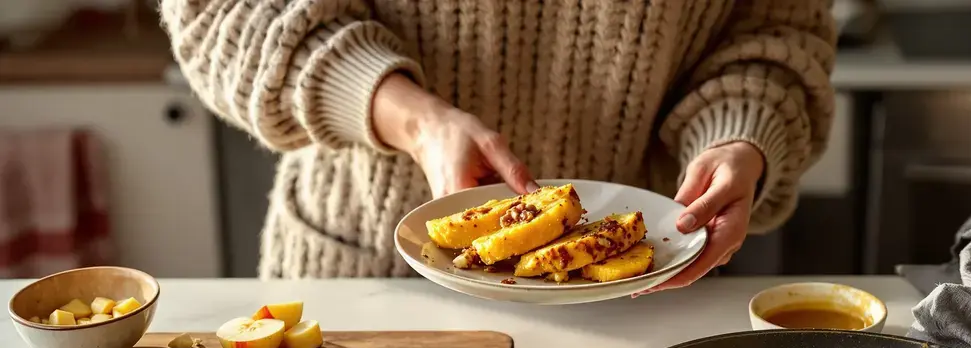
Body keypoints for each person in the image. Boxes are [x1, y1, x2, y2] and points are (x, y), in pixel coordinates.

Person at [160, 1, 835, 290]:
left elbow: (777, 30)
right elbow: (225, 15)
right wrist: (414, 119)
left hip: (639, 292)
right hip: (367, 289)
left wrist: (741, 131)